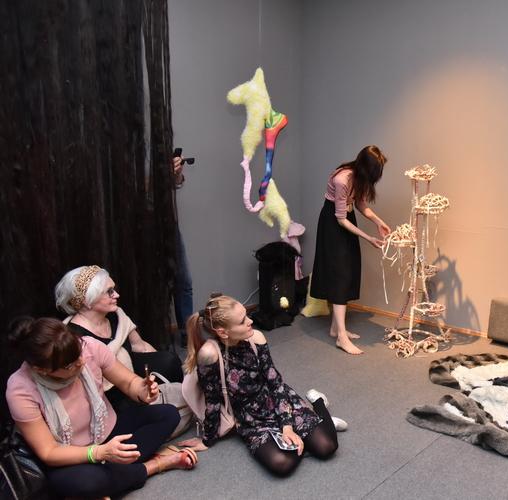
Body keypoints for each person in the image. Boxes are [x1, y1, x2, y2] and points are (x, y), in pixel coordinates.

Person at [5, 317, 197, 499]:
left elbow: (129, 382)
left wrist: (144, 390)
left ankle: (113, 475)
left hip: (108, 431)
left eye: (79, 352)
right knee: (89, 482)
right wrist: (97, 453)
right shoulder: (20, 389)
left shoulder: (89, 347)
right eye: (70, 365)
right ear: (42, 370)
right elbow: (49, 451)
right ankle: (154, 465)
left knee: (168, 414)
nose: (81, 362)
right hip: (69, 456)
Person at [180, 294, 340, 477]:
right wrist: (207, 440)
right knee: (282, 464)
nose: (250, 321)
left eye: (247, 315)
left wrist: (287, 426)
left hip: (278, 401)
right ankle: (309, 430)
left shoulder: (256, 338)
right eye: (242, 321)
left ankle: (318, 402)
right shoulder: (209, 355)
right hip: (251, 420)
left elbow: (276, 384)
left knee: (327, 447)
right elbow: (213, 400)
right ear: (223, 332)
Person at [55, 265, 183, 411]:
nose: (116, 295)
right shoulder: (74, 336)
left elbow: (140, 346)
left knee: (169, 361)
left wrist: (162, 366)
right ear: (87, 300)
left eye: (114, 289)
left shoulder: (116, 315)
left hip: (131, 369)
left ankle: (182, 404)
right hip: (107, 389)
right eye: (109, 291)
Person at [310, 145, 391, 355]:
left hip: (347, 219)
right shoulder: (342, 180)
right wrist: (368, 238)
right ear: (365, 168)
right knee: (340, 274)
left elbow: (360, 204)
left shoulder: (358, 178)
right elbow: (340, 219)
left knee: (349, 270)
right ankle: (341, 337)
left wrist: (378, 222)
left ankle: (336, 328)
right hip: (333, 224)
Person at [173, 152, 194, 347]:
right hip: (141, 229)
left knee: (184, 282)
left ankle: (187, 333)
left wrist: (177, 173)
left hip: (169, 226)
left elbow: (177, 184)